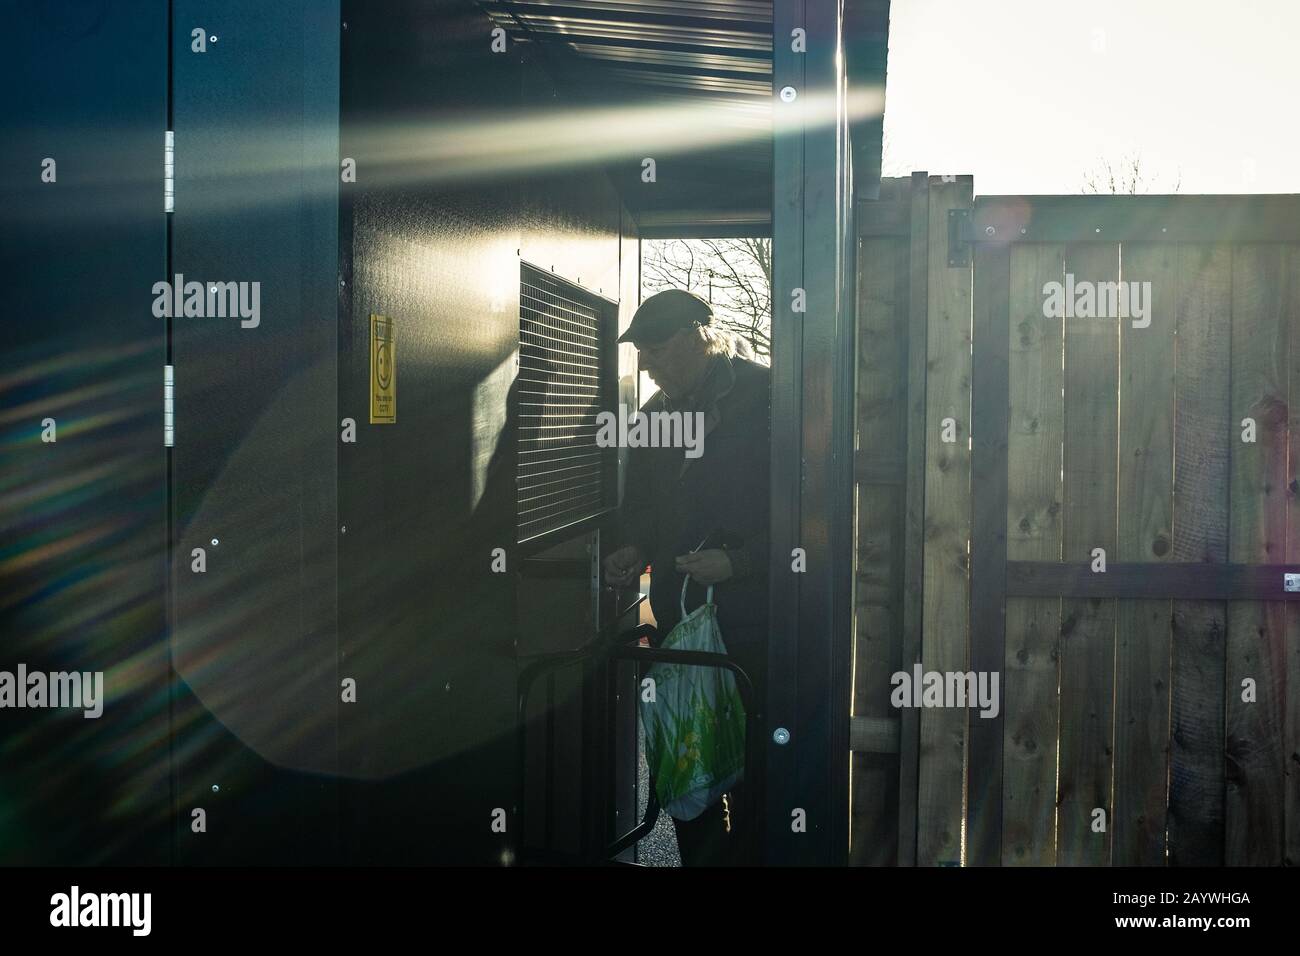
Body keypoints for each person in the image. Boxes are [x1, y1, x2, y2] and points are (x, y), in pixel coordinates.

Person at [602, 289, 770, 867]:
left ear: (700, 338)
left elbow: (810, 510)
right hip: (678, 618)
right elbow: (644, 501)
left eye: (655, 351)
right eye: (642, 354)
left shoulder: (768, 395)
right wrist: (634, 545)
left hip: (750, 623)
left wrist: (742, 562)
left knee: (750, 763)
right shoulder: (656, 415)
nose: (646, 366)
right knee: (684, 759)